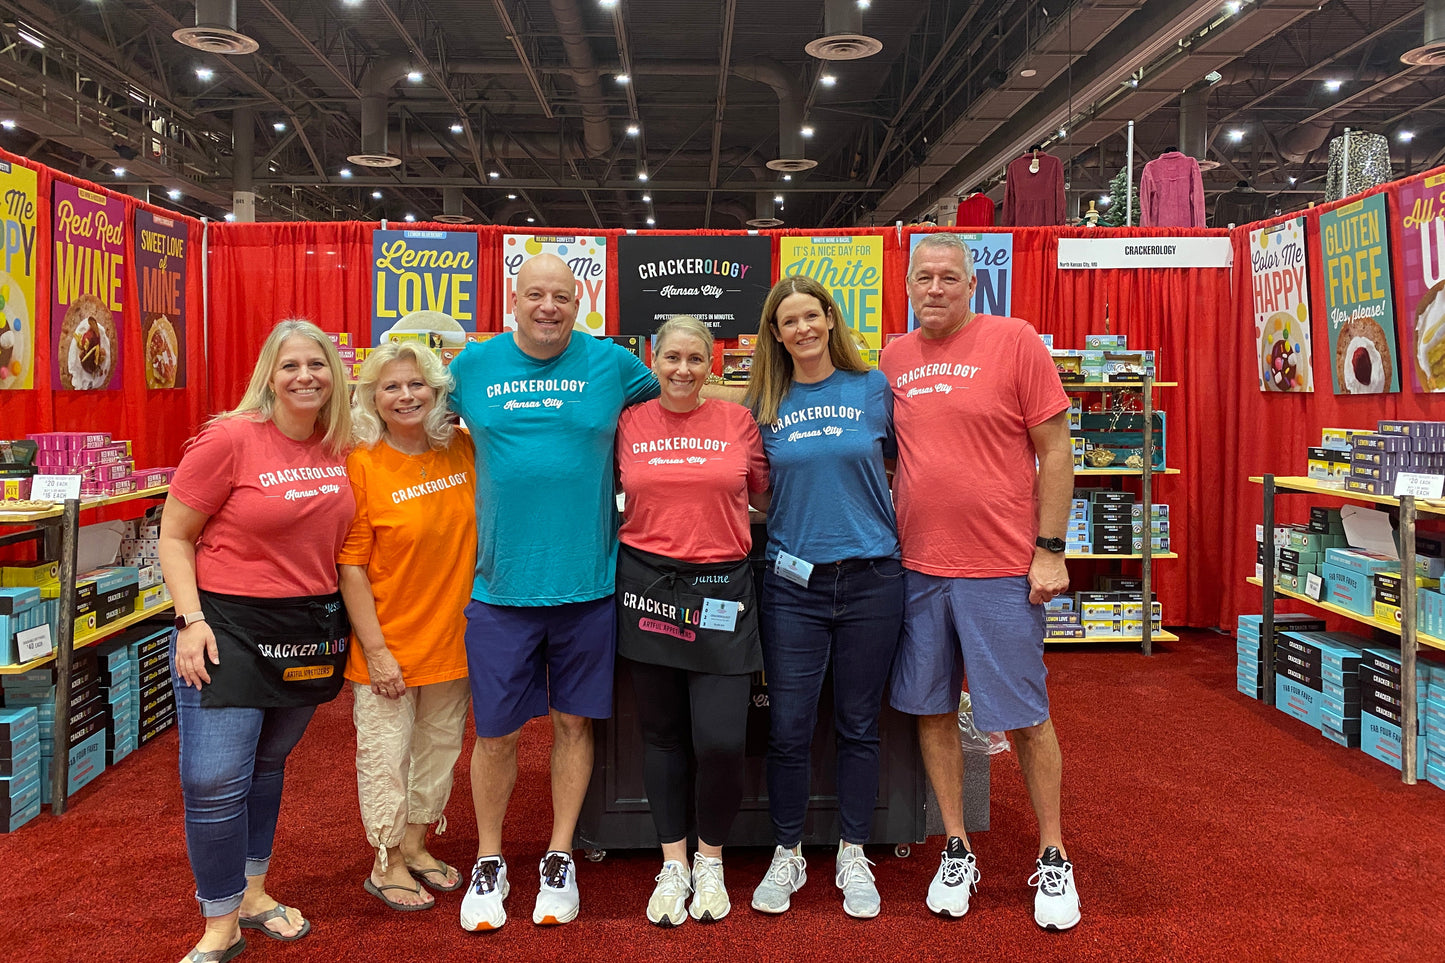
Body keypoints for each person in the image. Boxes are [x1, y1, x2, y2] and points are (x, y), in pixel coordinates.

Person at [447, 253, 659, 931]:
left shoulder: (613, 365)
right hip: (499, 587)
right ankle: (489, 857)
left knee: (574, 724)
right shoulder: (471, 368)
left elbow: (677, 404)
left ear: (579, 302)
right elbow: (401, 412)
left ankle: (559, 852)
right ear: (514, 298)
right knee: (496, 733)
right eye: (535, 294)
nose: (547, 306)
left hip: (588, 586)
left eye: (560, 296)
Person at [880, 232, 1078, 931]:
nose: (934, 288)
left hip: (1000, 567)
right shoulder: (892, 358)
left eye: (947, 277)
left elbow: (1056, 450)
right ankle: (956, 846)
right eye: (922, 278)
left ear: (971, 284)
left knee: (1023, 715)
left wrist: (1049, 549)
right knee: (931, 709)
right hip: (916, 568)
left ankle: (1053, 850)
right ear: (906, 285)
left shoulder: (1015, 340)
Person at [160, 319, 354, 963]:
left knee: (266, 767)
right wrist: (190, 622)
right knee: (214, 779)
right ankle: (219, 921)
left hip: (307, 631)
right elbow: (175, 536)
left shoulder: (342, 445)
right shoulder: (231, 439)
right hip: (225, 629)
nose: (306, 377)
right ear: (269, 375)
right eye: (291, 365)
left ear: (334, 375)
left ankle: (252, 892)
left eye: (317, 365)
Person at [742, 276, 904, 920]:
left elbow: (906, 468)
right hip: (791, 585)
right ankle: (788, 852)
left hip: (872, 579)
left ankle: (853, 851)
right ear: (776, 335)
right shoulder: (764, 402)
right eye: (789, 322)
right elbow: (754, 493)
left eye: (812, 316)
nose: (803, 329)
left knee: (860, 725)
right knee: (787, 728)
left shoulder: (873, 389)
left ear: (830, 320)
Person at [614, 316, 769, 927]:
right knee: (662, 736)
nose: (682, 369)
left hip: (723, 590)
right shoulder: (628, 422)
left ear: (712, 363)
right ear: (654, 358)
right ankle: (673, 862)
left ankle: (711, 860)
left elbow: (763, 495)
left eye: (695, 359)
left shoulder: (737, 421)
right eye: (671, 357)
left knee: (723, 740)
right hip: (647, 588)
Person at [338, 341, 477, 911]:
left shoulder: (461, 450)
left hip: (455, 637)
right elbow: (350, 567)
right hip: (388, 642)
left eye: (417, 384)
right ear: (372, 396)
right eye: (391, 386)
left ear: (438, 390)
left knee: (439, 750)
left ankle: (418, 845)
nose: (406, 396)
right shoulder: (364, 463)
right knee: (384, 756)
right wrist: (377, 651)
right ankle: (387, 859)